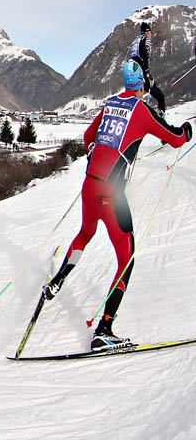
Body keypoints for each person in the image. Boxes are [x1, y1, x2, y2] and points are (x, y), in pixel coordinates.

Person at [44, 60, 191, 350]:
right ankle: (104, 329)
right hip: (112, 194)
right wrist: (187, 130)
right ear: (144, 84)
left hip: (89, 185)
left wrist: (96, 155)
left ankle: (57, 281)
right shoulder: (142, 110)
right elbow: (175, 139)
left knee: (85, 234)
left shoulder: (110, 103)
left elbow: (89, 138)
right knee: (127, 258)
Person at [129, 22, 166, 112]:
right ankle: (161, 117)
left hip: (133, 70)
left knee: (135, 97)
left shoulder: (135, 40)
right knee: (160, 96)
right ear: (147, 32)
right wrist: (146, 70)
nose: (151, 35)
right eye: (151, 33)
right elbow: (143, 53)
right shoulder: (145, 38)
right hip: (141, 71)